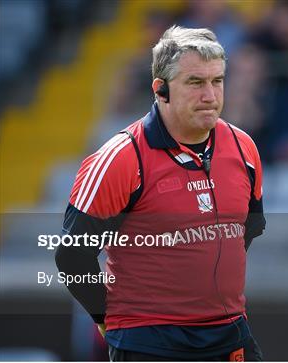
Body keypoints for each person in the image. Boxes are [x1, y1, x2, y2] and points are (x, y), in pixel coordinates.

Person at [55, 25, 266, 361]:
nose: (210, 96)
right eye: (195, 83)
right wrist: (105, 318)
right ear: (161, 89)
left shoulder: (245, 149)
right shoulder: (121, 158)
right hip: (149, 342)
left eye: (218, 81)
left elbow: (248, 229)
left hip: (228, 333)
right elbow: (71, 257)